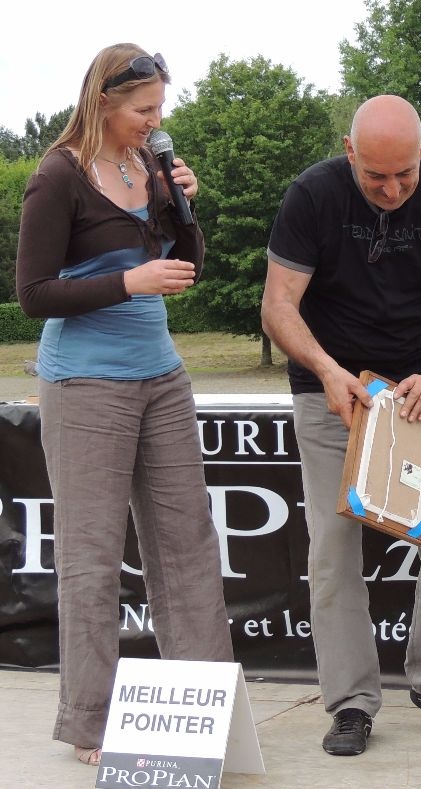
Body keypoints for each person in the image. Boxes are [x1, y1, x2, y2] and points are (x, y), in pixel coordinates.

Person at [261, 94, 421, 757]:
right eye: (376, 177)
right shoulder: (311, 195)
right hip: (333, 390)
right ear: (349, 152)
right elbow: (278, 304)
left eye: (405, 173)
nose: (392, 190)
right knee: (335, 543)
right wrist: (328, 369)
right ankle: (352, 701)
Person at [16, 44, 234, 766]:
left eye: (160, 110)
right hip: (85, 382)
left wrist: (182, 203)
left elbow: (190, 266)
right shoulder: (58, 176)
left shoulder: (153, 168)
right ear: (104, 101)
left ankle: (206, 709)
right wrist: (127, 283)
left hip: (161, 373)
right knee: (92, 556)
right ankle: (91, 721)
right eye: (144, 110)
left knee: (188, 546)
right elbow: (33, 293)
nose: (155, 122)